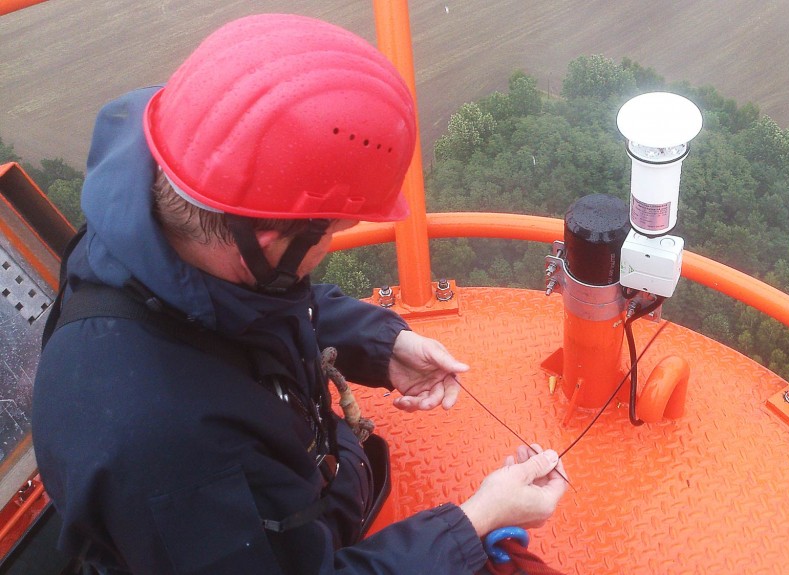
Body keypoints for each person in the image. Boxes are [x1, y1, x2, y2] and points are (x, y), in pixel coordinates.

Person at [32, 13, 567, 575]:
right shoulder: (162, 450)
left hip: (300, 498)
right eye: (331, 234)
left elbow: (249, 312)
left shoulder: (154, 234)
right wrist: (474, 522)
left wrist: (382, 345)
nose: (331, 249)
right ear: (266, 238)